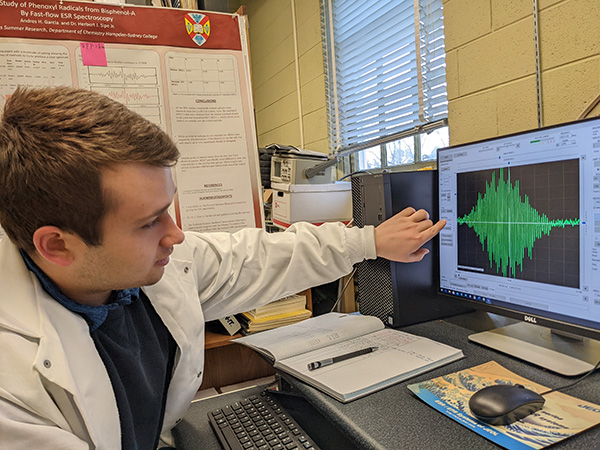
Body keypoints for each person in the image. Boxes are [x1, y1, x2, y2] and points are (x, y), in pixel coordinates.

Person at [0, 86, 446, 450]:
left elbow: (254, 258)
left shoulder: (146, 272)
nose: (175, 235)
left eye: (167, 210)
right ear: (57, 245)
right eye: (148, 221)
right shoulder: (10, 388)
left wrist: (368, 241)